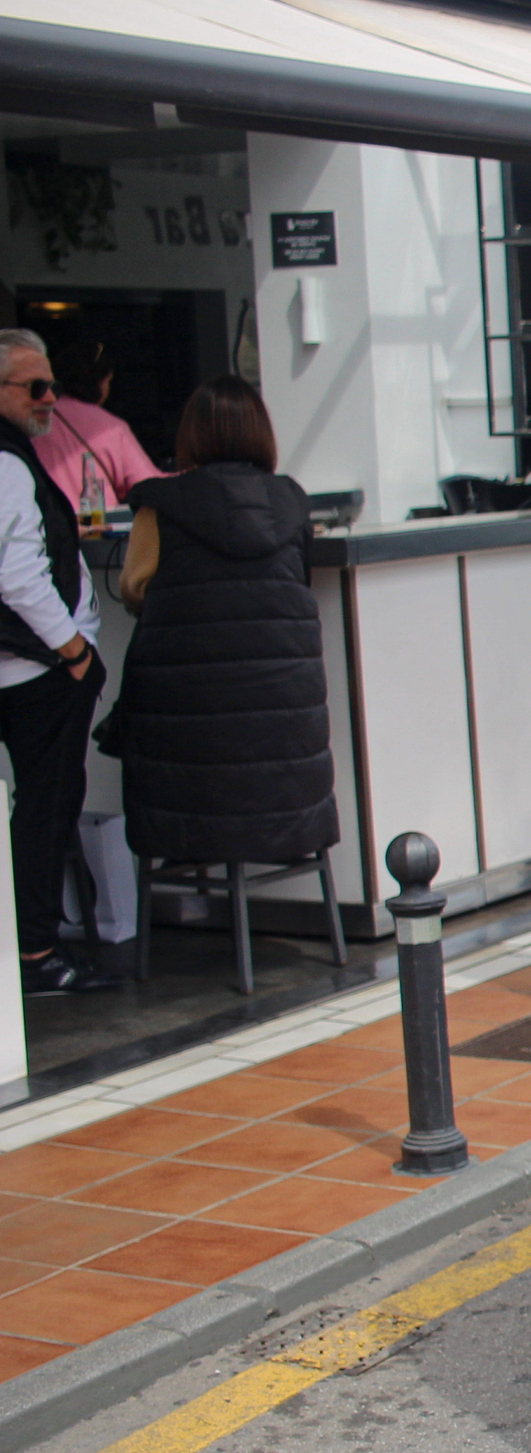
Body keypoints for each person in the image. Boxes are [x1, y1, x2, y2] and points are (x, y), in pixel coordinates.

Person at [116, 378, 336, 874]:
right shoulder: (292, 503)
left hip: (192, 755)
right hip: (285, 748)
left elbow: (135, 588)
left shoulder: (161, 507)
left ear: (190, 436)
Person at [0, 330, 114, 993]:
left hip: (28, 662)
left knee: (38, 810)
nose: (50, 399)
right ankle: (37, 955)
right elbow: (17, 575)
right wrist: (73, 652)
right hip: (37, 668)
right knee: (44, 810)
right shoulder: (10, 464)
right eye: (34, 388)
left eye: (51, 385)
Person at [37, 339, 162, 519]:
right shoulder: (111, 427)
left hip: (48, 526)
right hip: (99, 529)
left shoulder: (36, 419)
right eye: (109, 381)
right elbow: (148, 486)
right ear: (101, 381)